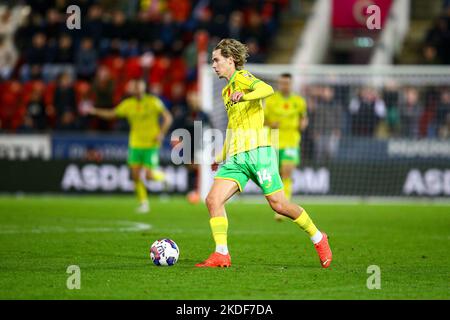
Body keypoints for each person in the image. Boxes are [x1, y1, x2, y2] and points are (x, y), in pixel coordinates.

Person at [196, 39, 332, 268]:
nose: (214, 65)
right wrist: (220, 155)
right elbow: (232, 125)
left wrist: (245, 96)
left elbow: (267, 89)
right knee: (213, 199)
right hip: (238, 157)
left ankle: (319, 238)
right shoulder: (226, 90)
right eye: (212, 61)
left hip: (259, 152)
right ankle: (221, 253)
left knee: (279, 205)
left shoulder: (242, 77)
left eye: (217, 60)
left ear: (231, 60)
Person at [87, 78, 173, 213]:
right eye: (135, 87)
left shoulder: (153, 102)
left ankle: (164, 178)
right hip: (135, 144)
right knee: (135, 175)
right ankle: (143, 203)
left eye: (140, 87)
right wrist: (95, 111)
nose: (138, 89)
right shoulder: (128, 104)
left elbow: (168, 118)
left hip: (151, 144)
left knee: (149, 175)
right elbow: (111, 114)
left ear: (144, 88)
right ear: (132, 90)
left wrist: (161, 133)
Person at [264, 73, 308, 221]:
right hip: (274, 142)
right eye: (282, 83)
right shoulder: (271, 100)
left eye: (287, 83)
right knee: (276, 176)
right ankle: (278, 203)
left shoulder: (299, 101)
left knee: (287, 173)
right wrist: (271, 124)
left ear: (291, 84)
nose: (285, 85)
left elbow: (303, 117)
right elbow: (262, 120)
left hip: (291, 142)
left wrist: (303, 123)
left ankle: (283, 207)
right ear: (279, 83)